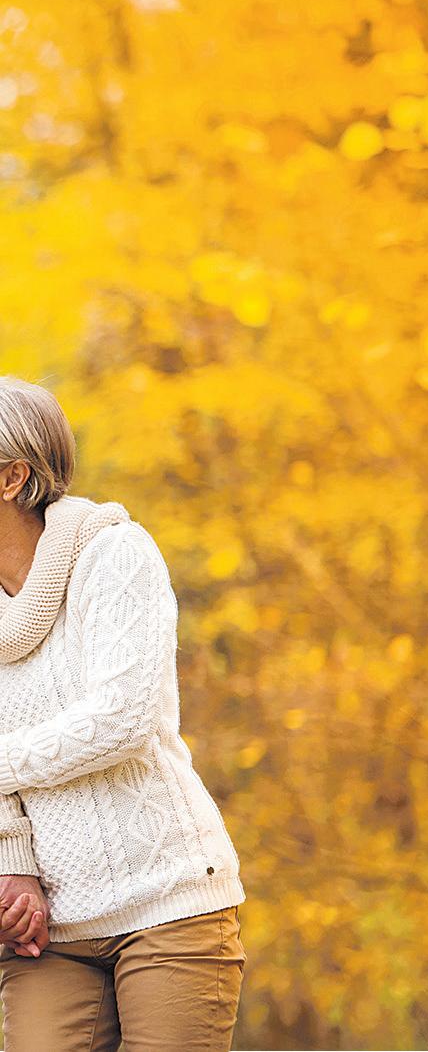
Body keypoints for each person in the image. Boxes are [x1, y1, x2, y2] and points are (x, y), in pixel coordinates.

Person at [0, 375, 247, 1052]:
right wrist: (10, 862)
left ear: (12, 477)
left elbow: (121, 720)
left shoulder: (113, 553)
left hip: (168, 902)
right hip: (48, 930)